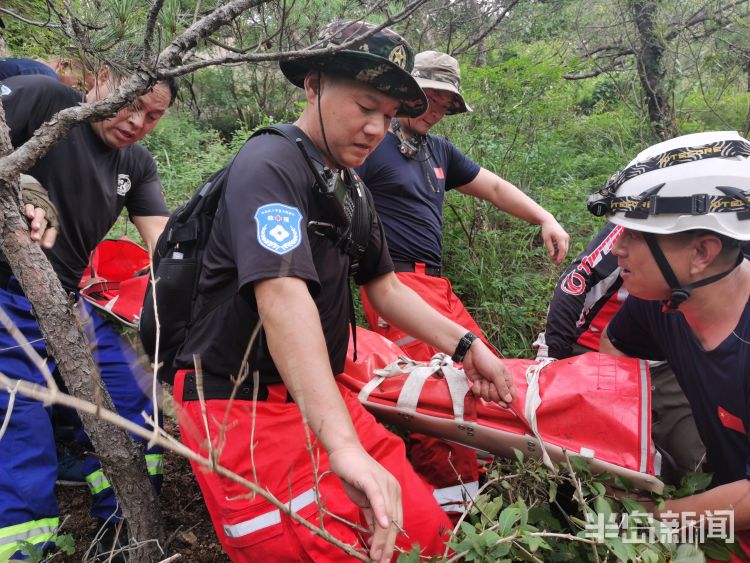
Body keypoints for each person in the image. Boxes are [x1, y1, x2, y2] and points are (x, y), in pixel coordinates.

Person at [171, 21, 516, 563]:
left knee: (421, 531)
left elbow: (385, 288)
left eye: (388, 114)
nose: (377, 127)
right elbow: (282, 296)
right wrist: (343, 447)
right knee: (317, 546)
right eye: (364, 106)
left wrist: (470, 348)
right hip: (241, 402)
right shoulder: (270, 164)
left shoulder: (350, 185)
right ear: (313, 85)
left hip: (317, 391)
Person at [355, 50, 570, 508]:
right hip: (396, 285)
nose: (435, 109)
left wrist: (544, 217)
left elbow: (492, 186)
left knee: (486, 373)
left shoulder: (438, 151)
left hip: (437, 285)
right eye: (429, 96)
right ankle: (454, 511)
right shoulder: (373, 143)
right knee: (435, 392)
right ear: (406, 93)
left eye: (445, 102)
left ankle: (484, 483)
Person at [0, 68, 176, 560]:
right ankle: (24, 548)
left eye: (154, 116)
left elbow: (163, 240)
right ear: (102, 80)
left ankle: (123, 532)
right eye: (132, 104)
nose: (138, 121)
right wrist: (24, 183)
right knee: (19, 422)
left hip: (66, 301)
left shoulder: (135, 164)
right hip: (5, 294)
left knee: (134, 397)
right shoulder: (45, 98)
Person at [594, 130, 750, 553]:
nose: (618, 249)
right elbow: (616, 344)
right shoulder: (661, 300)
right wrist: (624, 438)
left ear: (702, 252)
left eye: (636, 235)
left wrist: (653, 520)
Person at [534, 223, 706, 484]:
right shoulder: (635, 221)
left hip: (669, 357)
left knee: (694, 459)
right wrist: (551, 358)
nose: (620, 248)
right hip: (595, 349)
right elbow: (577, 282)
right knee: (592, 456)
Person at [0, 55, 93, 90]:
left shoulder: (30, 65)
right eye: (80, 83)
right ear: (64, 65)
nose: (77, 89)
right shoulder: (47, 77)